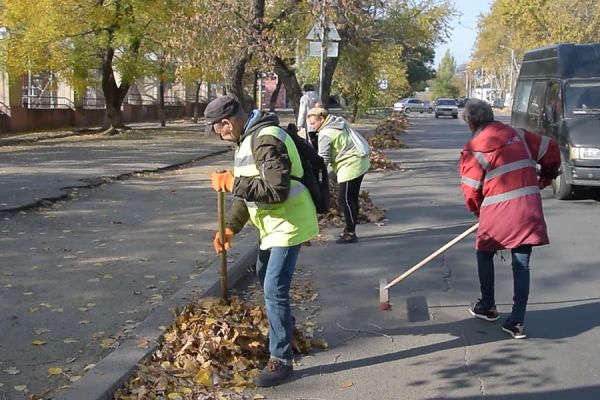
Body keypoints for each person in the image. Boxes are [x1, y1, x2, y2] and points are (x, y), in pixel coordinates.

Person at [205, 96, 318, 386]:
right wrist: (230, 227)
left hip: (289, 223)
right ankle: (286, 329)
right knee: (264, 274)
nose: (218, 134)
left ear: (226, 123)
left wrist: (232, 183)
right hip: (272, 225)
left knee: (274, 288)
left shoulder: (266, 139)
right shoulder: (247, 140)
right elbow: (248, 193)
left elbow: (276, 189)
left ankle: (281, 359)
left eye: (217, 129)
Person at [459, 99, 560, 339]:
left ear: (470, 121)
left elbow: (471, 190)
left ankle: (488, 306)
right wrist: (545, 177)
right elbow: (551, 149)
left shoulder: (474, 148)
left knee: (484, 253)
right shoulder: (520, 135)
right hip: (527, 209)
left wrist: (477, 211)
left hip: (498, 212)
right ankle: (517, 322)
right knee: (521, 263)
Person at [307, 103, 370, 244]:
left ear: (321, 119)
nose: (311, 126)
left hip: (350, 165)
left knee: (345, 199)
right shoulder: (337, 123)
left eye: (313, 123)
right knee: (351, 198)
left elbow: (323, 158)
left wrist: (314, 173)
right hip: (360, 161)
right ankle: (350, 228)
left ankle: (350, 232)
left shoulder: (325, 133)